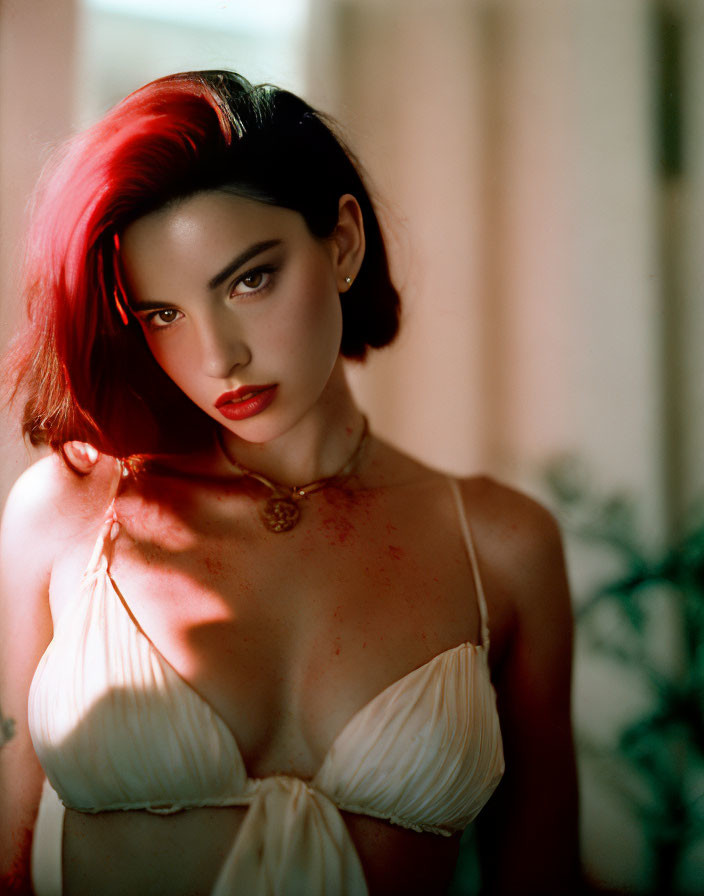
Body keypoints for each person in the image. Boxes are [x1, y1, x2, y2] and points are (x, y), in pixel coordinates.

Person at [0, 70, 579, 895]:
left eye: (249, 280)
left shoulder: (503, 547)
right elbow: (8, 858)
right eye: (163, 313)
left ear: (342, 242)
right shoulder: (69, 515)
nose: (217, 357)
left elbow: (542, 873)